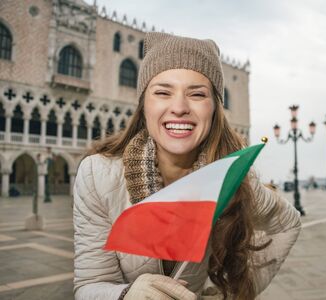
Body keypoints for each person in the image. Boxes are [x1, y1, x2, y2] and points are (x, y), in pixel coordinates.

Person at [73, 32, 301, 300]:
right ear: (143, 104)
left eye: (197, 94)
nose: (179, 107)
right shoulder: (98, 175)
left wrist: (232, 293)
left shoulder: (234, 179)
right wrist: (125, 295)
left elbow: (288, 224)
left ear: (215, 108)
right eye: (162, 92)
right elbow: (90, 284)